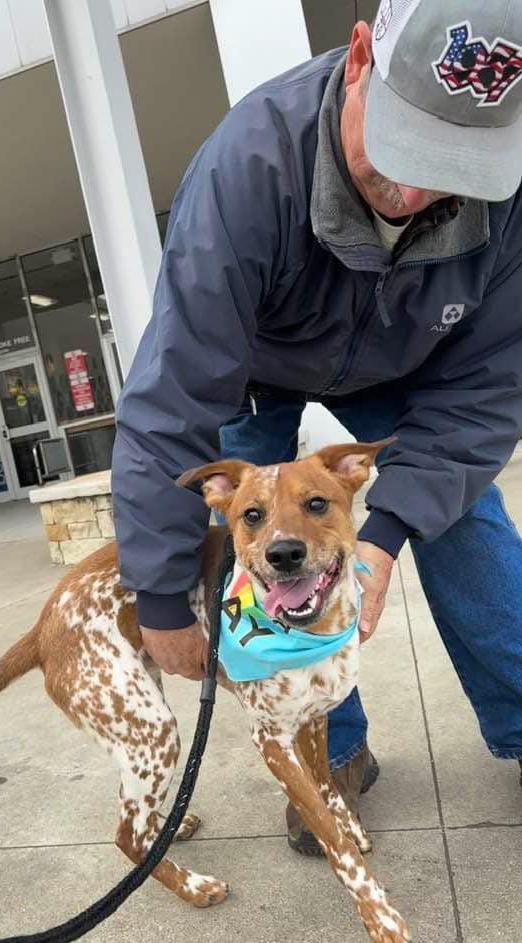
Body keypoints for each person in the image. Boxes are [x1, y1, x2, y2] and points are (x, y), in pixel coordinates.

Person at [111, 0, 522, 853]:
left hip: (416, 361)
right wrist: (161, 595)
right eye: (407, 148)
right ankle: (331, 754)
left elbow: (486, 388)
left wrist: (387, 532)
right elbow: (175, 395)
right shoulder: (248, 168)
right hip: (253, 368)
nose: (413, 194)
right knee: (267, 549)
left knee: (467, 522)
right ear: (363, 55)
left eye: (455, 167)